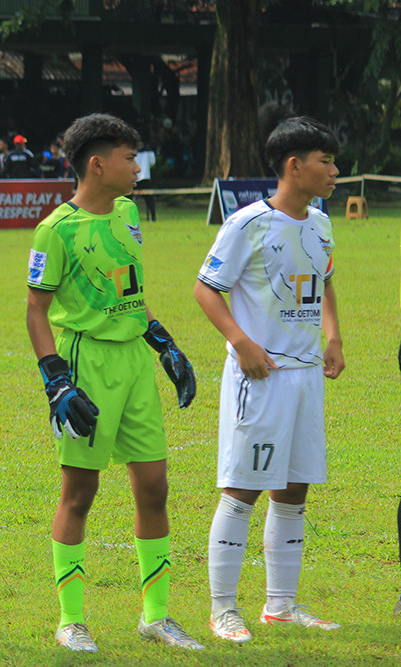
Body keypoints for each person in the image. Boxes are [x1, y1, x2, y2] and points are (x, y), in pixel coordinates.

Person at [25, 113, 202, 653]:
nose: (137, 166)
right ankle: (71, 620)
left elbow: (130, 292)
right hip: (87, 364)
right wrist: (56, 378)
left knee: (154, 486)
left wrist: (163, 342)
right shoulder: (56, 230)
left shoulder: (128, 213)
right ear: (98, 165)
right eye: (129, 157)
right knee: (80, 493)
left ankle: (156, 616)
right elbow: (36, 310)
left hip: (134, 365)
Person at [195, 116, 343, 643]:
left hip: (305, 377)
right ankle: (222, 609)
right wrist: (240, 341)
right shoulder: (246, 224)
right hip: (260, 377)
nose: (334, 170)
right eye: (325, 161)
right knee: (242, 490)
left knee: (294, 488)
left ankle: (281, 606)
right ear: (293, 166)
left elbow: (324, 279)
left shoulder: (321, 221)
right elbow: (206, 289)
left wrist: (333, 337)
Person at [134, 145, 157, 222]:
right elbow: (152, 162)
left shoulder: (130, 148)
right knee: (149, 198)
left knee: (127, 198)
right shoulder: (148, 151)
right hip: (144, 176)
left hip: (133, 176)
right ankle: (153, 216)